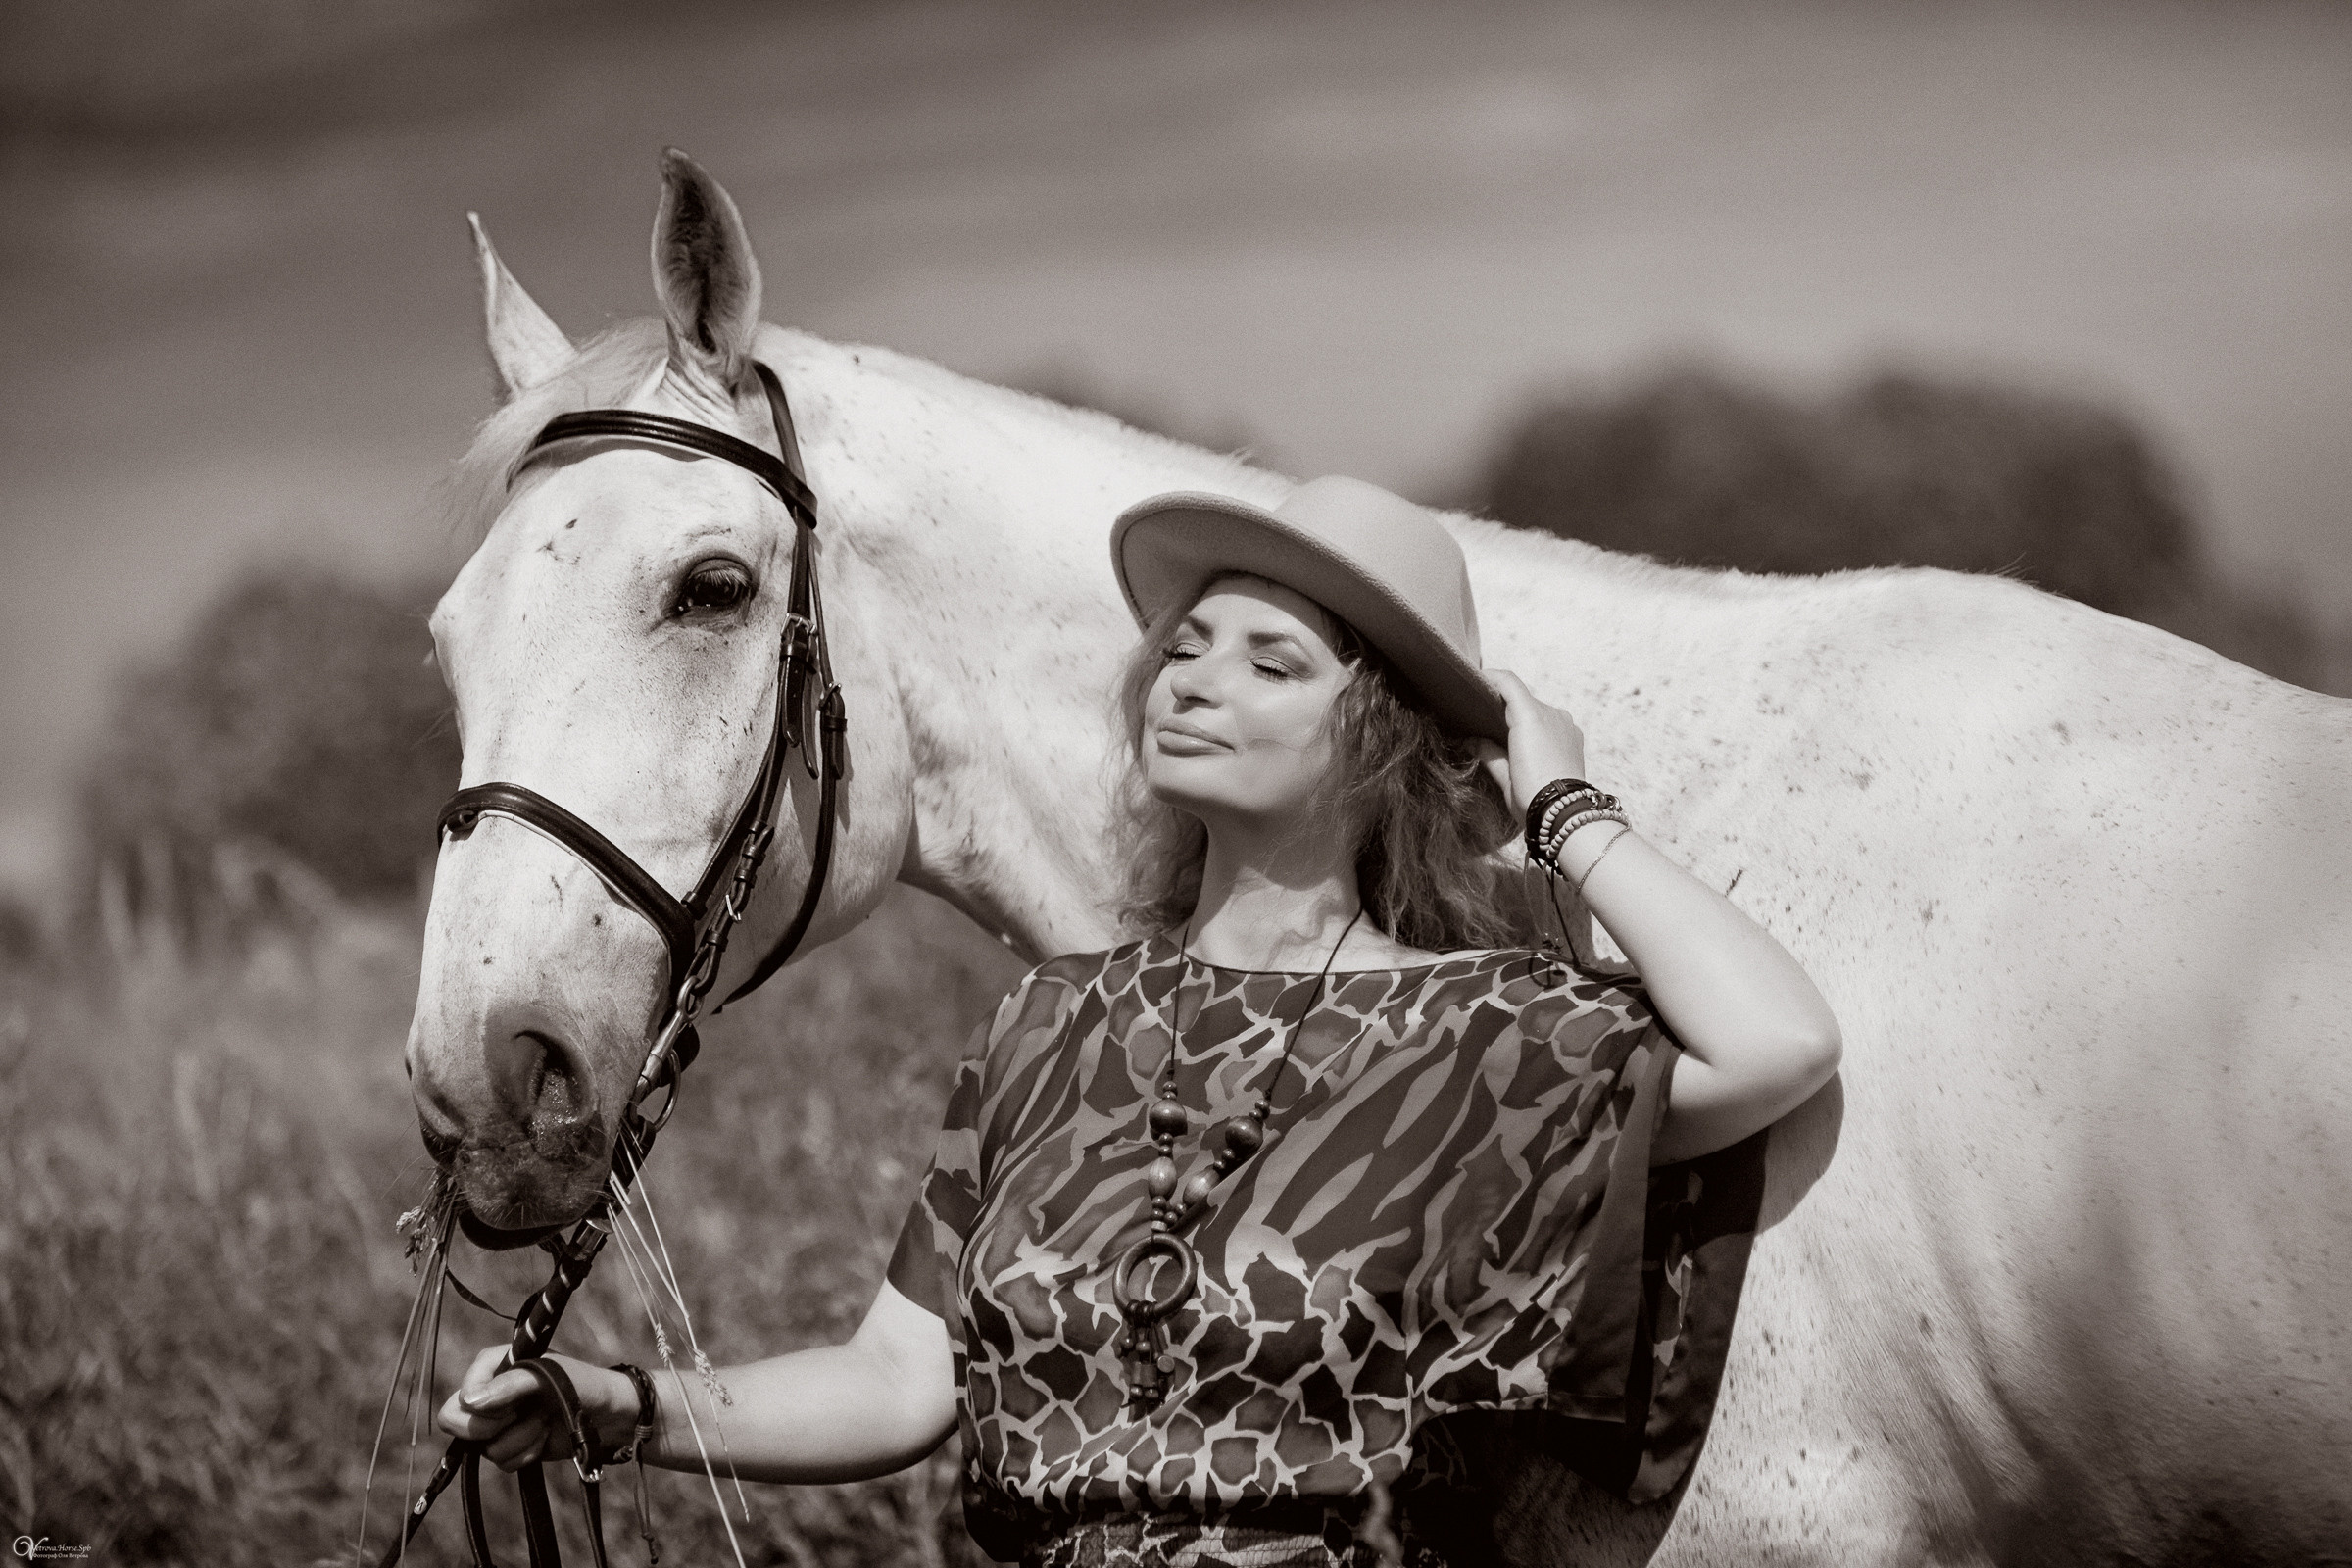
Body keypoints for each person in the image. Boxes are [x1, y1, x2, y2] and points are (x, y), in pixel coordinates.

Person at [440, 475, 1842, 1565]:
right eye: (1190, 645)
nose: (1192, 675)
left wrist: (1563, 810)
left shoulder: (1485, 1041)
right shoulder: (1049, 1027)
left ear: (1383, 740)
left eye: (1270, 663)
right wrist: (616, 1406)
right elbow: (896, 1380)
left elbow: (1773, 1042)